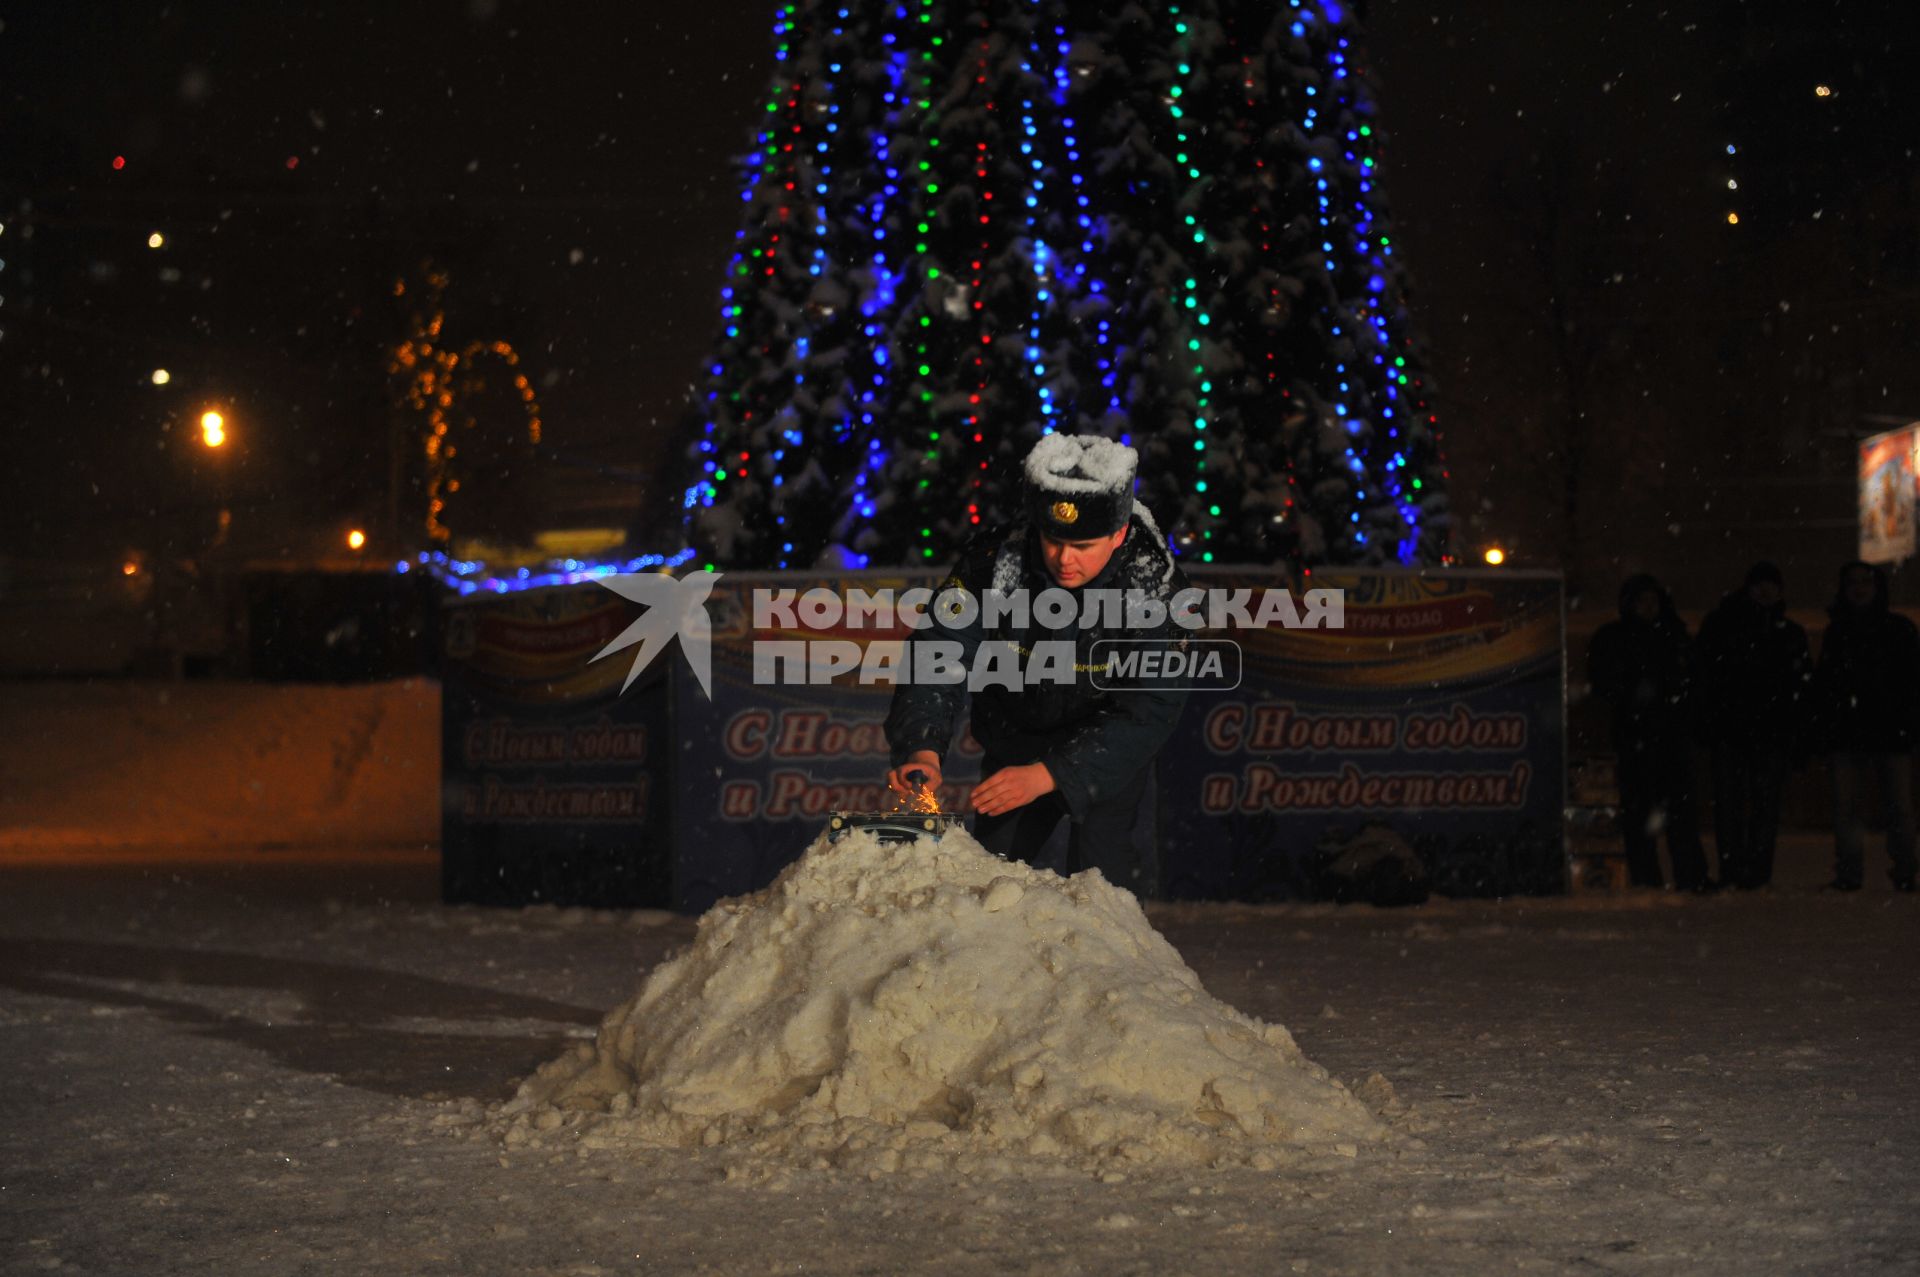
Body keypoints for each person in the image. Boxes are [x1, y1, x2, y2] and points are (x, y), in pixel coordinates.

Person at [884, 433, 1189, 893]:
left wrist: (1053, 774)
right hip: (1017, 738)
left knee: (1103, 901)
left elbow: (1150, 709)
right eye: (1053, 540)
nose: (1064, 559)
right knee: (988, 890)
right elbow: (936, 650)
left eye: (1083, 546)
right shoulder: (996, 564)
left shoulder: (1155, 587)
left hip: (1104, 754)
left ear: (1119, 533)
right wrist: (921, 745)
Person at [1587, 574, 1711, 890]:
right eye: (1641, 601)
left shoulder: (1674, 635)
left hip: (1672, 737)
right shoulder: (1616, 638)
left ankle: (1690, 875)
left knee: (1680, 813)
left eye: (1652, 601)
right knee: (1640, 812)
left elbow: (1694, 680)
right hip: (1636, 737)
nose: (1648, 607)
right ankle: (1647, 878)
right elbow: (1605, 684)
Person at [1692, 562, 1811, 889]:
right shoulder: (1779, 632)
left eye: (1770, 585)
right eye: (1761, 585)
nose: (1765, 591)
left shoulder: (1774, 631)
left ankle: (1747, 871)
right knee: (1749, 806)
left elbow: (1798, 689)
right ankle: (1746, 871)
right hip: (1741, 730)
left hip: (1757, 731)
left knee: (1752, 806)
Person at [1811, 560, 1919, 892]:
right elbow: (1827, 686)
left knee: (1893, 808)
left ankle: (1896, 871)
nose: (1859, 589)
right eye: (1853, 583)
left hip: (1884, 732)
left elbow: (1911, 682)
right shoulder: (1843, 632)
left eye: (1865, 582)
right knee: (1859, 809)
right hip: (1857, 733)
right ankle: (1860, 872)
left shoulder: (1894, 630)